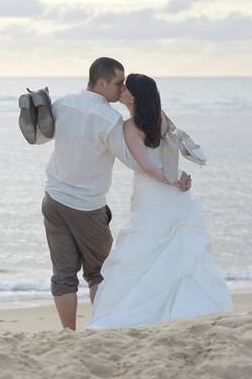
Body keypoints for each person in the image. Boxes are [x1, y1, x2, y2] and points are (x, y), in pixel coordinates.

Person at [39, 57, 191, 330]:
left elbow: (42, 136)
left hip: (53, 199)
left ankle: (68, 333)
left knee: (63, 274)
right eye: (118, 83)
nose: (121, 89)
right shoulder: (109, 119)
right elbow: (134, 161)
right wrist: (171, 176)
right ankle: (102, 325)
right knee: (100, 272)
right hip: (87, 206)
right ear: (101, 83)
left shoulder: (61, 104)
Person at [86, 73, 232, 328]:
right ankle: (183, 310)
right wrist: (177, 178)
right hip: (173, 193)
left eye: (124, 88)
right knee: (172, 251)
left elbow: (146, 166)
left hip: (155, 192)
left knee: (145, 248)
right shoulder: (163, 118)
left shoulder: (130, 126)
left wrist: (172, 179)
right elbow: (171, 157)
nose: (120, 91)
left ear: (134, 96)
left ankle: (141, 313)